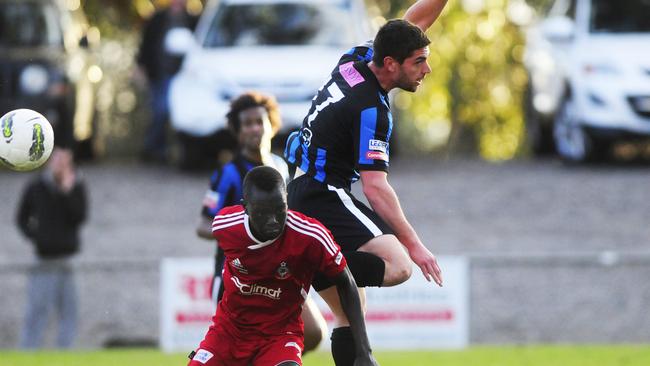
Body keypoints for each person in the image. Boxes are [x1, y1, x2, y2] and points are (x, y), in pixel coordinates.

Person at [284, 0, 447, 364]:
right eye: (419, 62)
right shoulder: (372, 109)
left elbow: (409, 25)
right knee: (398, 265)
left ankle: (307, 261)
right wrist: (417, 247)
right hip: (321, 194)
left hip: (301, 189)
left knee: (350, 307)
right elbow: (375, 188)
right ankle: (301, 260)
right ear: (391, 65)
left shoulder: (355, 59)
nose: (427, 69)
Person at [188, 166, 377, 366]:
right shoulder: (225, 226)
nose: (273, 221)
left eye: (280, 209)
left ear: (287, 199)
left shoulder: (311, 236)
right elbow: (230, 272)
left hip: (280, 336)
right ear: (245, 207)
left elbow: (346, 282)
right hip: (229, 333)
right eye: (262, 213)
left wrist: (364, 352)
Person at [196, 91, 327, 352]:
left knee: (312, 333)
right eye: (247, 123)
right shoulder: (229, 174)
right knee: (241, 348)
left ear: (271, 124)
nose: (255, 128)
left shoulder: (281, 168)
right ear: (237, 131)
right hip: (237, 275)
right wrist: (247, 229)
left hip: (280, 270)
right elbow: (202, 226)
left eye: (260, 121)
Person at [16, 148, 88, 348]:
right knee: (37, 309)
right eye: (56, 159)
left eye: (64, 160)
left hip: (68, 259)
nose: (60, 164)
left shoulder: (76, 185)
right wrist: (37, 237)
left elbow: (79, 217)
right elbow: (21, 218)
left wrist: (67, 192)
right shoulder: (36, 186)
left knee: (69, 311)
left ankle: (65, 354)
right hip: (44, 259)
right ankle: (27, 353)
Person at [137, 0, 198, 163]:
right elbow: (146, 45)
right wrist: (141, 67)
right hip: (160, 74)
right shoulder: (157, 19)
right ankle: (154, 149)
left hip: (185, 77)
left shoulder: (193, 20)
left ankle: (183, 152)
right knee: (160, 111)